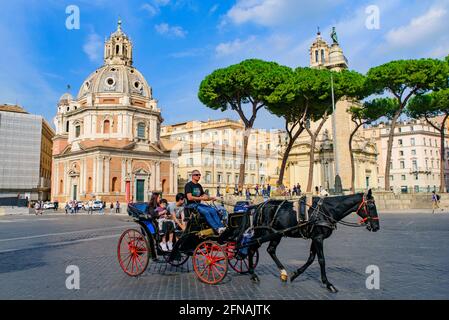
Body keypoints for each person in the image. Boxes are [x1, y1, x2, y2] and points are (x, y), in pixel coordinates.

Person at [185, 170, 225, 234]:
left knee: (213, 210)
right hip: (191, 205)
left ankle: (221, 227)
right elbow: (189, 197)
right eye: (197, 175)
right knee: (206, 212)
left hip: (198, 204)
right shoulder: (188, 185)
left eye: (199, 175)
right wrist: (201, 198)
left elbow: (204, 196)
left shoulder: (199, 186)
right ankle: (216, 228)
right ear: (192, 176)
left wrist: (211, 198)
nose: (199, 176)